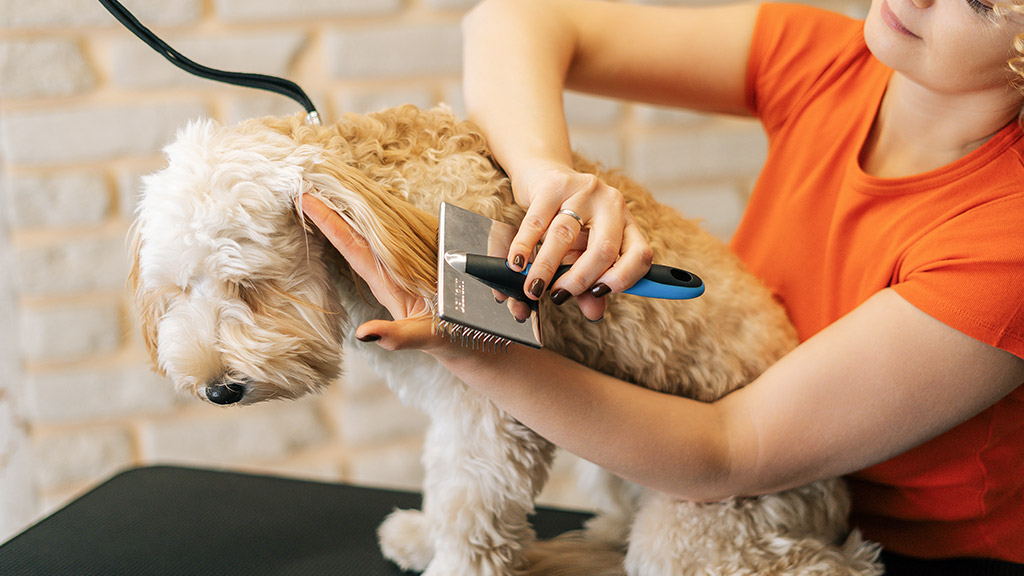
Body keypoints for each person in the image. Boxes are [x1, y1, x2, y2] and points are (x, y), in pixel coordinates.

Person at [302, 0, 1024, 571]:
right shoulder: (833, 61)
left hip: (895, 551)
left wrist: (475, 350)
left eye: (980, 1)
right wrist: (546, 178)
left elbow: (727, 452)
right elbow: (514, 18)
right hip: (719, 497)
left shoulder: (1005, 243)